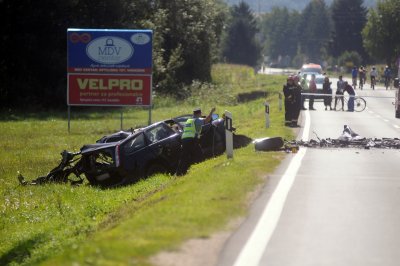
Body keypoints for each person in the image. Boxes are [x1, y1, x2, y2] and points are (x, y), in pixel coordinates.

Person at [176, 107, 216, 175]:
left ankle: (179, 173)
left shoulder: (189, 121)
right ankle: (202, 168)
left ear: (193, 114)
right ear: (199, 114)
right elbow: (207, 120)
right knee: (199, 154)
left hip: (184, 140)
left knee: (184, 157)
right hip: (192, 139)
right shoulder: (197, 120)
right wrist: (211, 112)